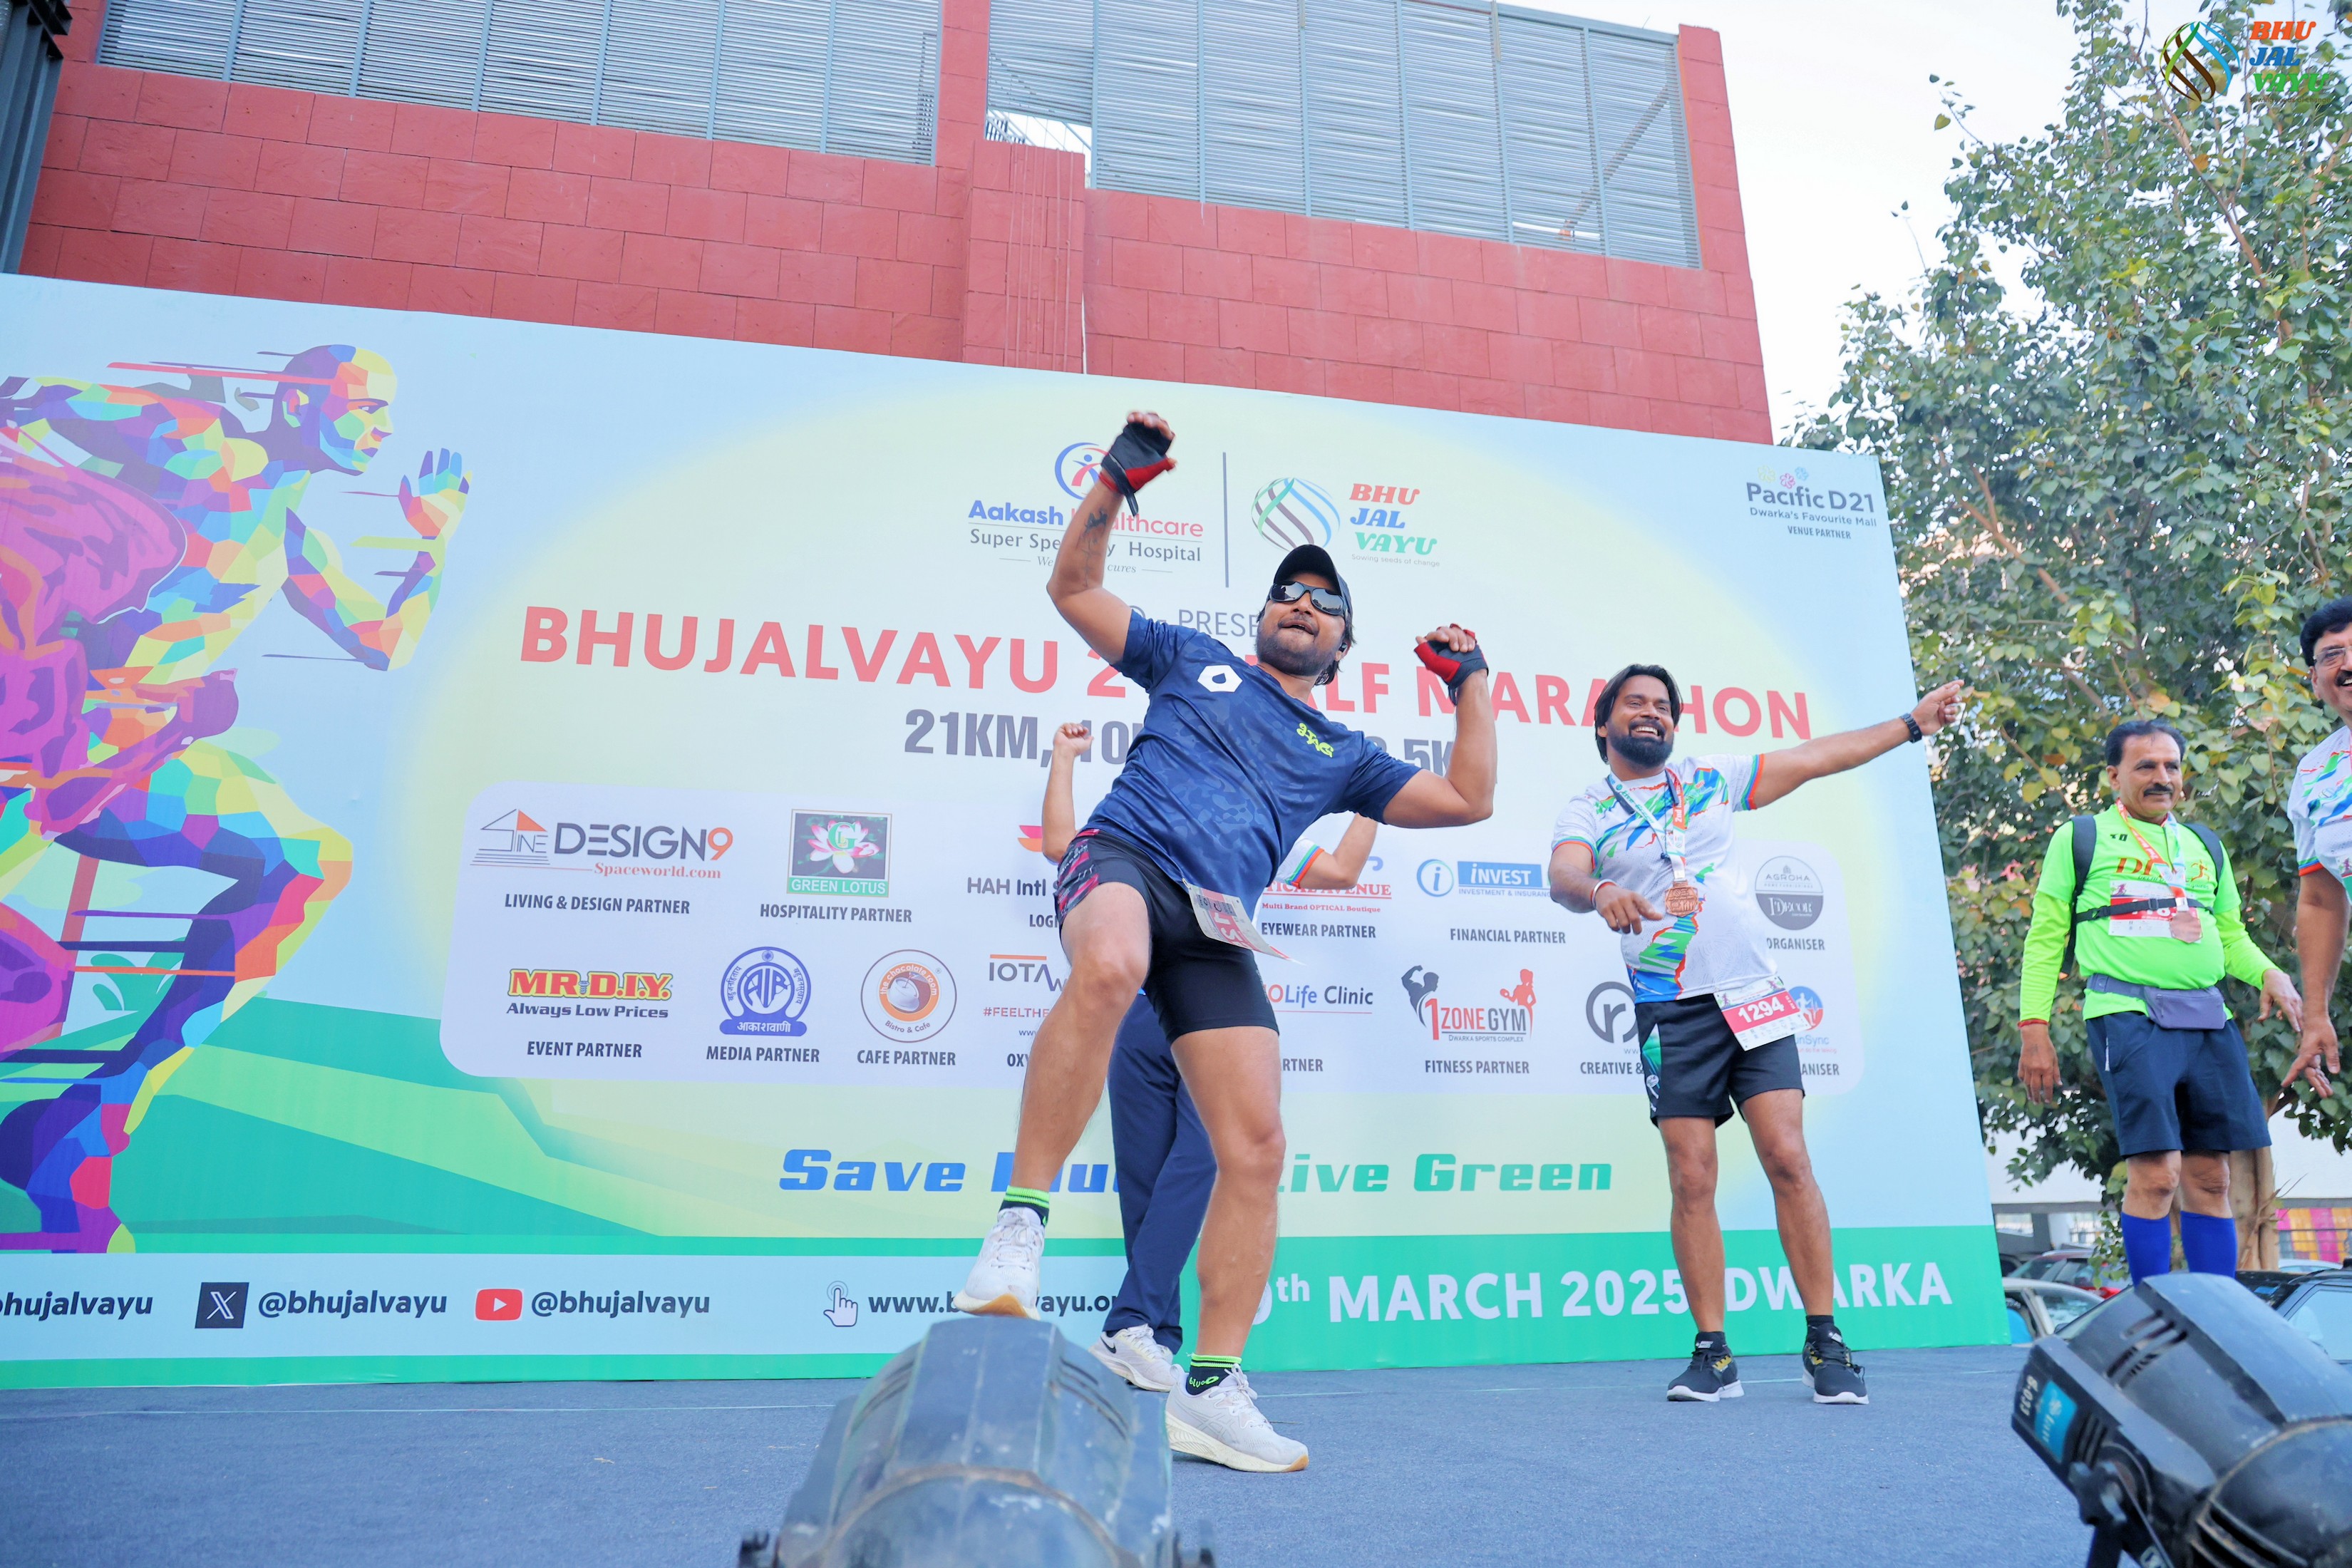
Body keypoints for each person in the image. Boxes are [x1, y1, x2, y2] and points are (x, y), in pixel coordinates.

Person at [956, 411, 1495, 1473]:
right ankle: (1018, 1228)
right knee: (1110, 965)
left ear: (1342, 647)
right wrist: (1115, 481)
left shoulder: (1345, 752)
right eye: (1290, 591)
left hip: (1214, 926)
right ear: (1260, 615)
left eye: (1327, 603)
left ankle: (1210, 1388)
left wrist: (1471, 682)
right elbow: (1073, 587)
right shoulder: (1190, 659)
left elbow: (1469, 798)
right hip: (1125, 856)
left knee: (1256, 1148)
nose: (1304, 604)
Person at [0, 349, 469, 1252]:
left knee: (307, 862)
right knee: (28, 986)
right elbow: (47, 397)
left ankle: (81, 1132)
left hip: (134, 757)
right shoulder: (200, 441)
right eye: (366, 408)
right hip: (38, 733)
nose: (381, 430)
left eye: (385, 415)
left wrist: (433, 539)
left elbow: (383, 644)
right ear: (298, 402)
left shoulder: (290, 539)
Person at [1548, 664, 1964, 1405]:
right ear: (1602, 721)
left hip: (1754, 997)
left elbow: (1815, 757)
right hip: (1670, 1009)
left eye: (1663, 706)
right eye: (1635, 702)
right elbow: (1564, 876)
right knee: (1692, 1176)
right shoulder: (1588, 807)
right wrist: (1601, 888)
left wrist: (1910, 726)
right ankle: (1713, 1355)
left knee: (1788, 1158)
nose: (1652, 713)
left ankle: (1825, 1340)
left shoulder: (1708, 778)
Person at [1033, 721, 1379, 1393]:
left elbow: (1340, 871)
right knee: (1144, 1176)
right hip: (1138, 1015)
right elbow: (1059, 847)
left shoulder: (1256, 829)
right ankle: (1152, 1337)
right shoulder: (1139, 817)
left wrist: (1371, 799)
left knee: (1200, 1164)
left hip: (1211, 1021)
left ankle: (1131, 1324)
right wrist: (1064, 758)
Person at [2018, 719, 2304, 1286]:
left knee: (2212, 1179)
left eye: (2171, 766)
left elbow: (2230, 936)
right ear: (2114, 776)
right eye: (2146, 766)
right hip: (2129, 1015)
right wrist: (2034, 1027)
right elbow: (2046, 937)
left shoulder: (2204, 845)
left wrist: (2270, 974)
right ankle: (2150, 1304)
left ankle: (2216, 1310)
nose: (2162, 777)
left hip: (2208, 1018)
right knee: (2156, 1176)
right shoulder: (2081, 837)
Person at [2288, 597, 2352, 1108]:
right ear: (2315, 680)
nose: (2348, 664)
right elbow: (2321, 901)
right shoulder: (2315, 773)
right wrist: (2315, 1014)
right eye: (2333, 655)